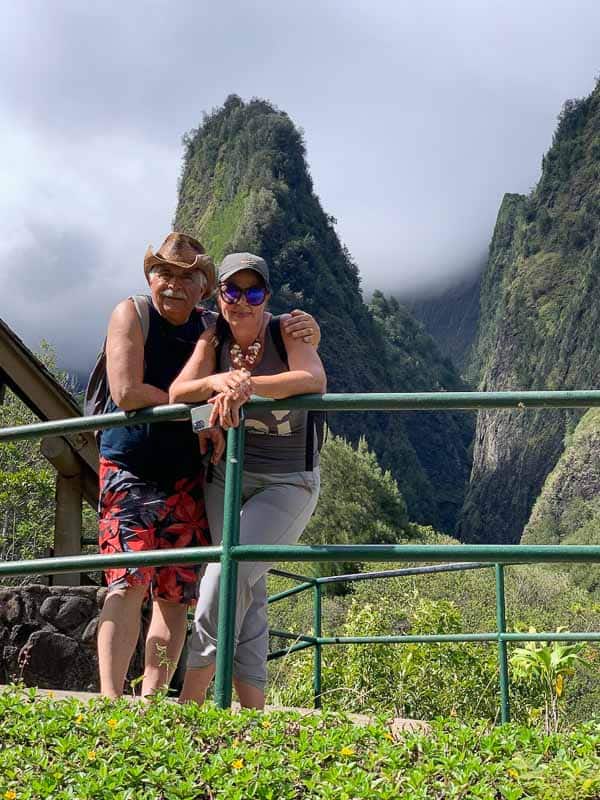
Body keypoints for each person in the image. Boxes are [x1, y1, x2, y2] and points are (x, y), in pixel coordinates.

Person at [97, 235, 319, 698]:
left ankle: (157, 697)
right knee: (127, 585)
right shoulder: (135, 315)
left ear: (201, 287)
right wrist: (211, 399)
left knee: (178, 595)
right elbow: (127, 393)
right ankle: (112, 703)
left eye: (187, 276)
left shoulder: (211, 325)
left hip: (188, 475)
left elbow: (308, 371)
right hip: (131, 467)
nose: (175, 285)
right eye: (165, 273)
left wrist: (221, 401)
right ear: (150, 277)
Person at [169, 252, 327, 709]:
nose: (241, 301)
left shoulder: (286, 331)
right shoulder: (213, 336)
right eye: (231, 291)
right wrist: (218, 391)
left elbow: (312, 378)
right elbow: (182, 393)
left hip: (289, 481)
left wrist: (249, 386)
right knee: (247, 588)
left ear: (267, 297)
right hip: (227, 475)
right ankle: (253, 711)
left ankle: (193, 701)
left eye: (252, 291)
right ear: (219, 296)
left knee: (225, 573)